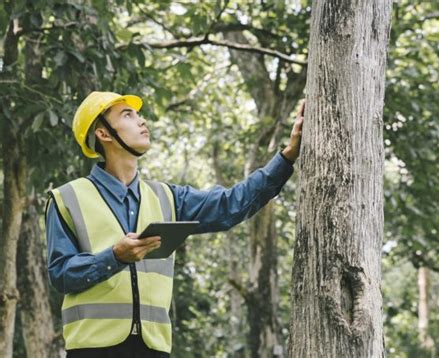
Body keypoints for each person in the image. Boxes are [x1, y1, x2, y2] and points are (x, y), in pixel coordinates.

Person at [46, 91, 304, 358]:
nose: (141, 121)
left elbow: (231, 205)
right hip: (92, 350)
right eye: (128, 115)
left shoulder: (167, 198)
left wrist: (287, 157)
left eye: (138, 114)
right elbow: (61, 274)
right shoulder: (67, 198)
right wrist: (114, 257)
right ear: (104, 134)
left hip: (154, 349)